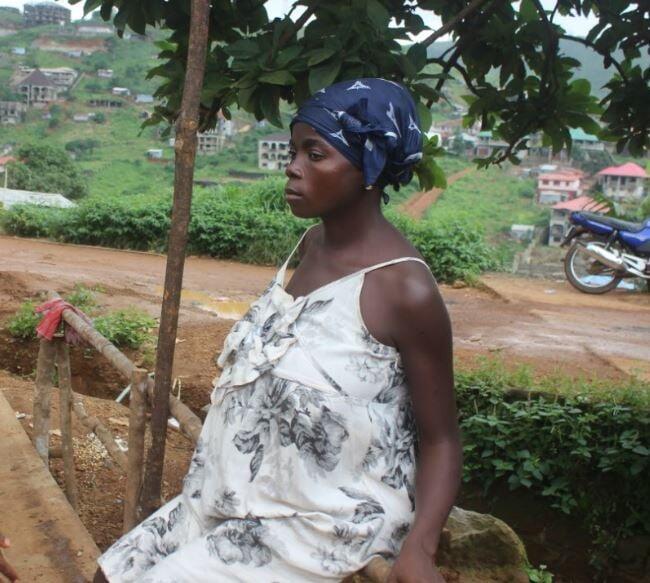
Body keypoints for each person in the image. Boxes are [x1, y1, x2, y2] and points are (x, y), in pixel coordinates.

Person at [94, 78, 462, 583]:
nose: (291, 167)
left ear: (370, 167)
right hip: (224, 500)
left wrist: (420, 547)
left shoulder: (404, 290)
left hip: (315, 531)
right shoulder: (311, 246)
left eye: (316, 154)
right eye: (294, 151)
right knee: (106, 574)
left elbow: (442, 438)